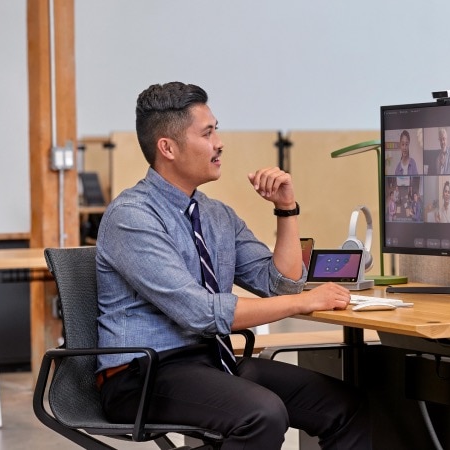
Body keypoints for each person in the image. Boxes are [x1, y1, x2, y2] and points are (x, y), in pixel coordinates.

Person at [95, 82, 371, 449]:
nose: (219, 142)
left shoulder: (216, 214)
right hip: (142, 375)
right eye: (208, 133)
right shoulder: (131, 217)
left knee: (346, 405)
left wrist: (286, 208)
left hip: (211, 362)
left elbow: (280, 284)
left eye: (216, 130)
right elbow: (200, 313)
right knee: (262, 414)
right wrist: (304, 302)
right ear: (168, 148)